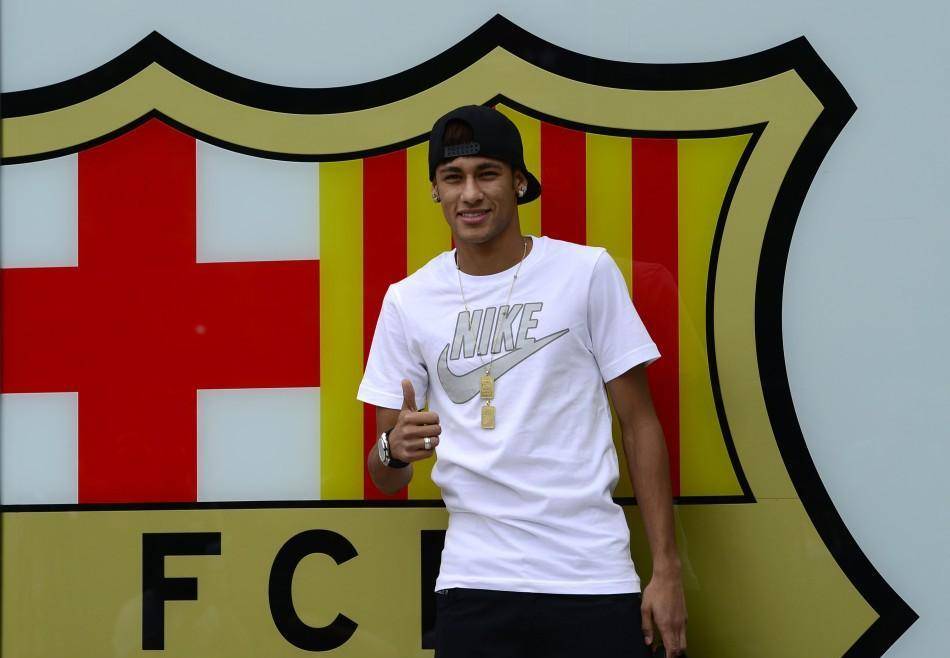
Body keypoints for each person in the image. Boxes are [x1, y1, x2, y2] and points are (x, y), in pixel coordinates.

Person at [356, 105, 687, 657]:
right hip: (473, 584)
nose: (470, 194)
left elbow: (640, 424)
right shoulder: (408, 300)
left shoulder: (585, 272)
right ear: (435, 190)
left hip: (590, 576)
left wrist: (667, 571)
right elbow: (386, 476)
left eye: (487, 174)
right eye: (453, 178)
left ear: (518, 182)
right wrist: (395, 448)